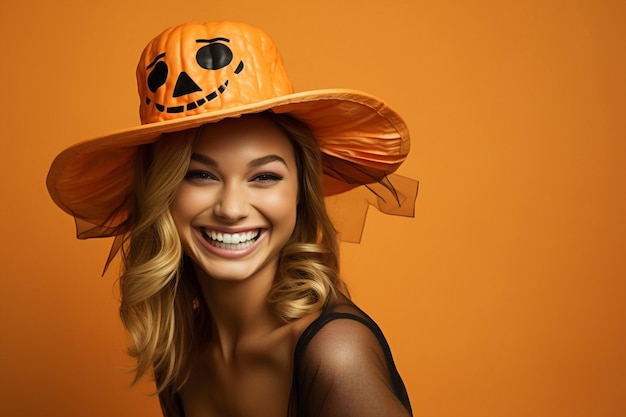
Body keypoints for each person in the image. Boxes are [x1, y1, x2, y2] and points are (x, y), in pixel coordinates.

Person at [46, 21, 418, 417]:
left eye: (264, 177)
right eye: (200, 174)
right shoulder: (180, 345)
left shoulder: (337, 353)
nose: (232, 208)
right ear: (161, 193)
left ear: (300, 196)